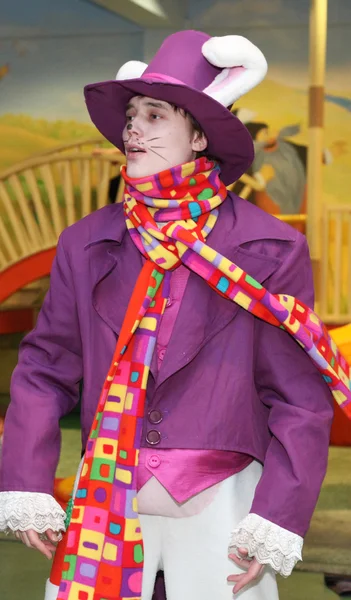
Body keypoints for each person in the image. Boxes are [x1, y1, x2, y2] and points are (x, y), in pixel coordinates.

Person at [0, 30, 339, 600]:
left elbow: (299, 398)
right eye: (132, 115)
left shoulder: (270, 249)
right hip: (105, 499)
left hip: (224, 504)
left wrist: (275, 519)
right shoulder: (86, 242)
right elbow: (45, 365)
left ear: (200, 136)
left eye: (155, 115)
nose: (133, 128)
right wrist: (26, 483)